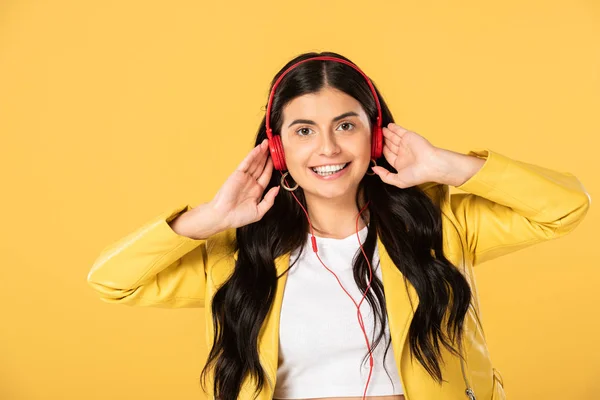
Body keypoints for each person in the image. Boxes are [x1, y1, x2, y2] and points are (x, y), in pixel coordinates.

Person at [87, 51, 591, 400]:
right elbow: (111, 281)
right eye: (304, 131)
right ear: (280, 148)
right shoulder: (237, 251)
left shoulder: (438, 224)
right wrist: (208, 218)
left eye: (345, 125)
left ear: (374, 136)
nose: (327, 149)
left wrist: (446, 165)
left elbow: (564, 206)